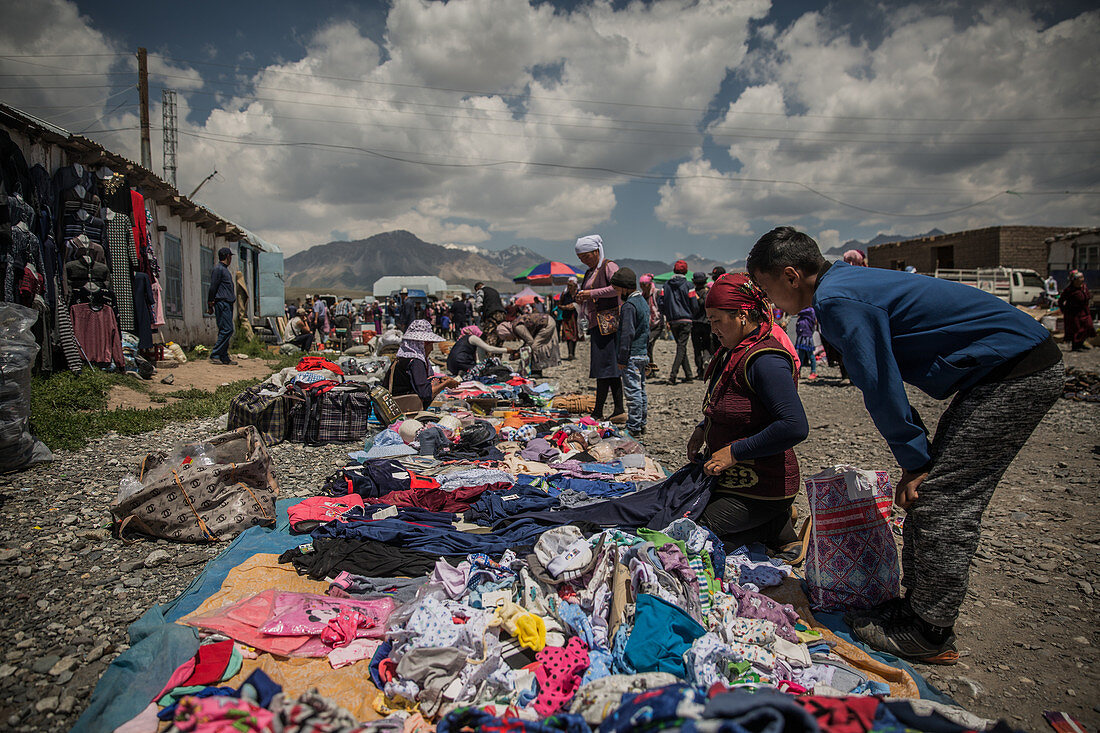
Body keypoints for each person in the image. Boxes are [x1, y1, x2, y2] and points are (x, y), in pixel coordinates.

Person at [747, 226, 1064, 665]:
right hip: (999, 371)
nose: (768, 300)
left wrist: (914, 462)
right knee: (932, 492)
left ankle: (929, 631)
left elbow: (880, 385)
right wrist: (917, 460)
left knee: (942, 501)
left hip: (1016, 372)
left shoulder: (837, 301)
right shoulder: (843, 284)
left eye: (765, 289)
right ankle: (916, 611)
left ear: (790, 275)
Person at [687, 273, 808, 556]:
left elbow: (795, 426)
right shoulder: (734, 352)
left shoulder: (765, 360)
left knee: (694, 537)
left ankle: (770, 525)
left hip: (760, 486)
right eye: (710, 320)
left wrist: (735, 452)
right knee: (675, 506)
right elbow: (733, 406)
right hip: (732, 479)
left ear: (742, 315)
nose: (712, 328)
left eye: (717, 320)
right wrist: (704, 427)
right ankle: (778, 527)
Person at [574, 234, 626, 422]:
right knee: (606, 367)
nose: (583, 261)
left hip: (609, 323)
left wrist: (591, 293)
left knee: (607, 367)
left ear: (596, 252)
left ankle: (600, 411)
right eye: (580, 258)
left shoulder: (608, 267)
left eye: (586, 257)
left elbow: (617, 288)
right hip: (597, 324)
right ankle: (617, 410)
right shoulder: (590, 272)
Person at [611, 267, 650, 436]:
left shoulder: (629, 306)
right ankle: (641, 423)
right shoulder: (643, 302)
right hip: (642, 353)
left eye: (619, 290)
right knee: (640, 390)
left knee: (633, 392)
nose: (618, 294)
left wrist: (622, 357)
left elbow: (627, 333)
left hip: (631, 355)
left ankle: (633, 427)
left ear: (625, 288)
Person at [386, 319, 458, 410]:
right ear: (422, 344)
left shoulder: (404, 357)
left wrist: (440, 380)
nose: (431, 349)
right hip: (402, 408)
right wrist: (446, 384)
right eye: (430, 344)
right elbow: (426, 394)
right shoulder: (416, 362)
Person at [497, 311, 560, 377]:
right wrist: (519, 351)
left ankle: (537, 371)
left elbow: (530, 341)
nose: (508, 340)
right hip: (546, 322)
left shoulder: (518, 328)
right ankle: (533, 369)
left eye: (507, 337)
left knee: (535, 346)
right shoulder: (515, 326)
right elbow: (527, 341)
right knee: (532, 346)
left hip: (547, 324)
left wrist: (519, 353)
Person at [662, 260, 694, 384]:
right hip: (686, 319)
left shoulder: (666, 285)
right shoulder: (689, 285)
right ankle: (673, 375)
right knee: (681, 347)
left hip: (672, 320)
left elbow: (661, 302)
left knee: (681, 346)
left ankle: (689, 375)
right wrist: (692, 314)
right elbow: (694, 303)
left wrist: (667, 316)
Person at [206, 247, 237, 365]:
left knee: (225, 329)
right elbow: (213, 287)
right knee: (227, 329)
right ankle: (215, 354)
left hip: (227, 303)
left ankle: (224, 356)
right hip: (222, 303)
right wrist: (210, 302)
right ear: (228, 256)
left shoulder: (224, 269)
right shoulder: (218, 269)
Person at [446, 325, 510, 375]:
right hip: (462, 362)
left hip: (451, 365)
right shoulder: (473, 338)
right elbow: (489, 348)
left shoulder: (462, 339)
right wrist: (506, 350)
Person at [1058, 270, 1095, 351]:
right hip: (1074, 313)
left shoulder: (1084, 287)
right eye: (1080, 277)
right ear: (1074, 280)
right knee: (1077, 329)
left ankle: (1081, 343)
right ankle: (1076, 346)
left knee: (1088, 326)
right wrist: (1064, 310)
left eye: (1082, 277)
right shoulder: (1069, 290)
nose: (1082, 279)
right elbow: (1061, 301)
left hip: (1084, 311)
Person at [639, 273, 663, 371]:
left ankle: (649, 368)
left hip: (657, 324)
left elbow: (662, 307)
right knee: (648, 346)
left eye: (643, 285)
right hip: (647, 324)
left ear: (649, 284)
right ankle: (650, 368)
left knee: (649, 343)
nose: (642, 288)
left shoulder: (657, 293)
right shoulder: (642, 295)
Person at [691, 271, 713, 375]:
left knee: (696, 348)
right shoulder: (708, 292)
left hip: (695, 323)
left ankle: (699, 369)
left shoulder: (692, 293)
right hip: (706, 323)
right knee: (706, 345)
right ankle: (706, 360)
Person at [558, 277, 581, 360]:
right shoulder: (564, 294)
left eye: (571, 285)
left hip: (576, 317)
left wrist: (575, 306)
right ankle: (570, 354)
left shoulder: (579, 294)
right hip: (567, 318)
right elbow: (559, 305)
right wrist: (566, 307)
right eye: (568, 285)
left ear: (575, 285)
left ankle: (573, 353)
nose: (569, 287)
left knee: (575, 336)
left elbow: (582, 304)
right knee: (568, 336)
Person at [795, 306, 818, 380]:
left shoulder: (810, 311)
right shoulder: (802, 314)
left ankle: (813, 372)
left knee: (810, 355)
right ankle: (798, 372)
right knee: (800, 356)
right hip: (801, 336)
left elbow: (798, 311)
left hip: (807, 336)